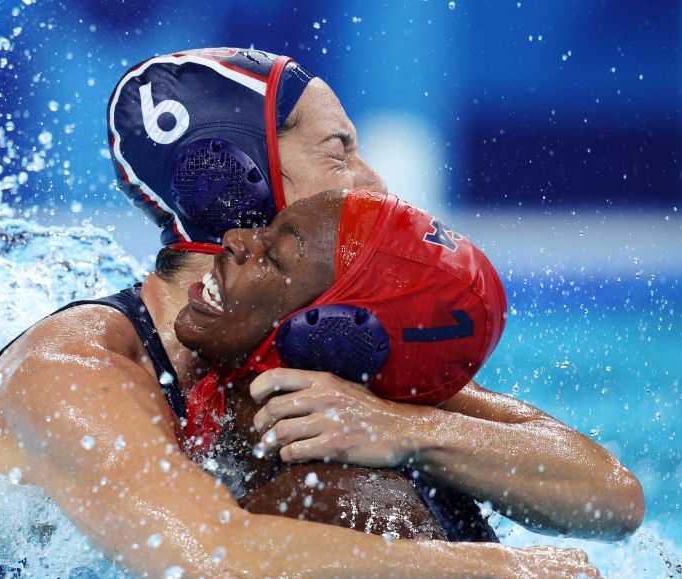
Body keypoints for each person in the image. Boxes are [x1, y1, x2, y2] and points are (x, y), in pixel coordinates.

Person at [106, 47, 644, 540]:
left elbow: (614, 498)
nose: (375, 183)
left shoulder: (337, 356)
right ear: (244, 181)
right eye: (338, 154)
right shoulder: (100, 364)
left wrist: (403, 429)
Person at [0, 191, 600, 577]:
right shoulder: (77, 371)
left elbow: (610, 494)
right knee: (356, 505)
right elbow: (209, 559)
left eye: (273, 250)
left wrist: (408, 430)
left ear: (328, 330)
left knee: (380, 493)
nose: (233, 239)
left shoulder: (327, 381)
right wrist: (499, 569)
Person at [178, 188, 506, 543]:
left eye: (272, 255)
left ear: (329, 342)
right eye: (266, 229)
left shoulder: (338, 506)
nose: (236, 239)